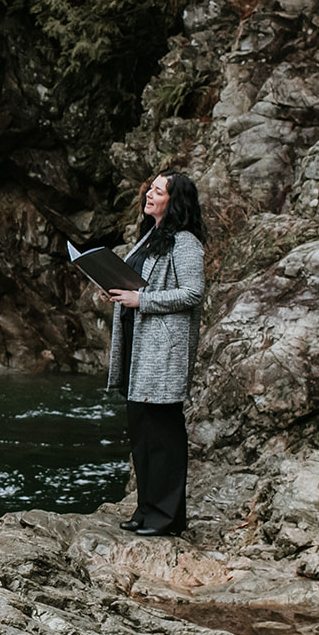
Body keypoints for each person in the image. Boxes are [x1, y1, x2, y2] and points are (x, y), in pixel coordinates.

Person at [105, 170, 205, 537]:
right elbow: (135, 284)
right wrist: (116, 292)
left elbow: (193, 293)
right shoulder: (150, 237)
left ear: (174, 201)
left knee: (163, 435)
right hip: (139, 346)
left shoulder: (185, 242)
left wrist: (140, 300)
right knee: (141, 433)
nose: (148, 193)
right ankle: (145, 510)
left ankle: (167, 518)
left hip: (163, 352)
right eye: (150, 187)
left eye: (158, 191)